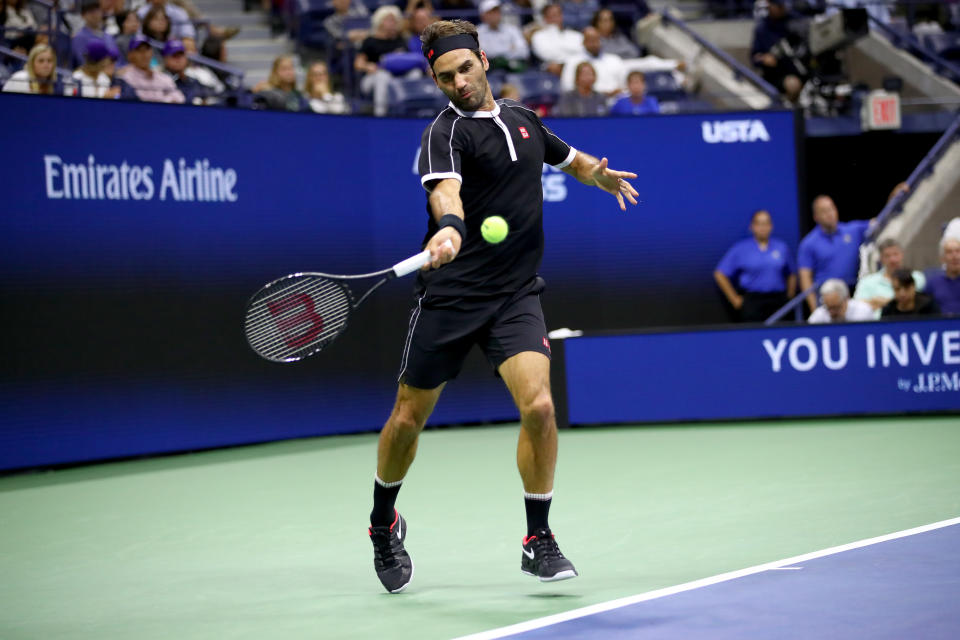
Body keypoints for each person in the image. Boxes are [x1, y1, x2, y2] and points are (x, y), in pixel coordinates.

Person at [366, 18, 639, 594]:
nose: (459, 83)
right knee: (406, 421)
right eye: (445, 77)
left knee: (539, 406)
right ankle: (382, 522)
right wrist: (448, 229)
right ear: (436, 82)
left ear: (484, 61)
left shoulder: (523, 120)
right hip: (451, 296)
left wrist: (600, 175)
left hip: (514, 295)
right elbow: (447, 192)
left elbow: (571, 160)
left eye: (465, 68)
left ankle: (537, 538)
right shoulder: (444, 133)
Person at [714, 209, 797, 323]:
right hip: (753, 302)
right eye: (759, 224)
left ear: (771, 226)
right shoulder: (741, 249)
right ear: (752, 227)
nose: (762, 227)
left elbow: (791, 273)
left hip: (778, 300)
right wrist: (735, 299)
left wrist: (789, 296)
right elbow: (720, 273)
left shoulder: (781, 247)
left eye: (766, 223)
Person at [797, 195, 873, 313]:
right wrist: (814, 309)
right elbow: (805, 278)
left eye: (831, 209)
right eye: (824, 211)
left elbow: (880, 220)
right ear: (816, 217)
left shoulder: (853, 230)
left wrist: (895, 196)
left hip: (854, 294)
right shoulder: (809, 243)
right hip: (827, 301)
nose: (829, 214)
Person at [354, 4, 407, 116]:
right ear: (380, 21)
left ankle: (407, 112)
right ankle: (380, 115)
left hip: (397, 76)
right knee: (383, 76)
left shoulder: (400, 40)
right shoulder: (370, 41)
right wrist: (368, 66)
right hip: (373, 78)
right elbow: (358, 64)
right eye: (389, 20)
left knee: (415, 73)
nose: (393, 23)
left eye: (395, 20)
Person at [854, 238, 926, 318]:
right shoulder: (866, 282)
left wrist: (879, 302)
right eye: (887, 256)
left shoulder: (917, 277)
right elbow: (857, 306)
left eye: (895, 254)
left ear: (902, 254)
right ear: (881, 259)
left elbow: (916, 302)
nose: (892, 260)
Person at [750, 0, 804, 103]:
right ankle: (790, 112)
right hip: (776, 75)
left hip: (801, 69)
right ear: (769, 6)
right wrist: (764, 59)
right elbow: (754, 58)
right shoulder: (762, 29)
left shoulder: (795, 21)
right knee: (793, 84)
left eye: (782, 5)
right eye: (777, 5)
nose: (781, 8)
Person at [117, 34, 184, 102]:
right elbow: (136, 99)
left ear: (151, 52)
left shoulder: (163, 77)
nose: (144, 54)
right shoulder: (126, 78)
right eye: (139, 50)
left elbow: (179, 98)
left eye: (147, 49)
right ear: (130, 55)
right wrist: (164, 100)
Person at [559, 26, 625, 95]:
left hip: (613, 101)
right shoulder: (573, 61)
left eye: (597, 39)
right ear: (583, 42)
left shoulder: (614, 60)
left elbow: (625, 86)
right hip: (584, 101)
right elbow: (567, 87)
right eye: (590, 40)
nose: (594, 43)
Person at [530, 3, 584, 76]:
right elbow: (546, 54)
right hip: (553, 69)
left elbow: (583, 51)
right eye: (552, 16)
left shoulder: (576, 35)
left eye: (558, 14)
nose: (556, 18)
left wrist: (560, 49)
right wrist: (570, 51)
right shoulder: (538, 36)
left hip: (577, 66)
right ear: (545, 18)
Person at [476, 0, 528, 72]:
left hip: (511, 69)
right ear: (483, 15)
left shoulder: (512, 29)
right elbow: (483, 53)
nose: (495, 15)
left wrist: (498, 54)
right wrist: (510, 49)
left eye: (497, 11)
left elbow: (523, 51)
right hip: (489, 71)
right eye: (491, 12)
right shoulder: (477, 32)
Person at [70, 0, 120, 69]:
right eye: (91, 12)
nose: (95, 15)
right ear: (83, 15)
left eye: (97, 11)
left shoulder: (107, 35)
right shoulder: (79, 37)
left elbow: (116, 58)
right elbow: (83, 63)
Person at [808, 279, 875, 324]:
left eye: (835, 307)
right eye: (829, 308)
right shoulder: (820, 314)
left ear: (846, 299)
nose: (832, 312)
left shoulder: (863, 311)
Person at [924, 237, 960, 315]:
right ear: (942, 258)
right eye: (949, 252)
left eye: (958, 251)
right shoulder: (932, 283)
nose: (955, 256)